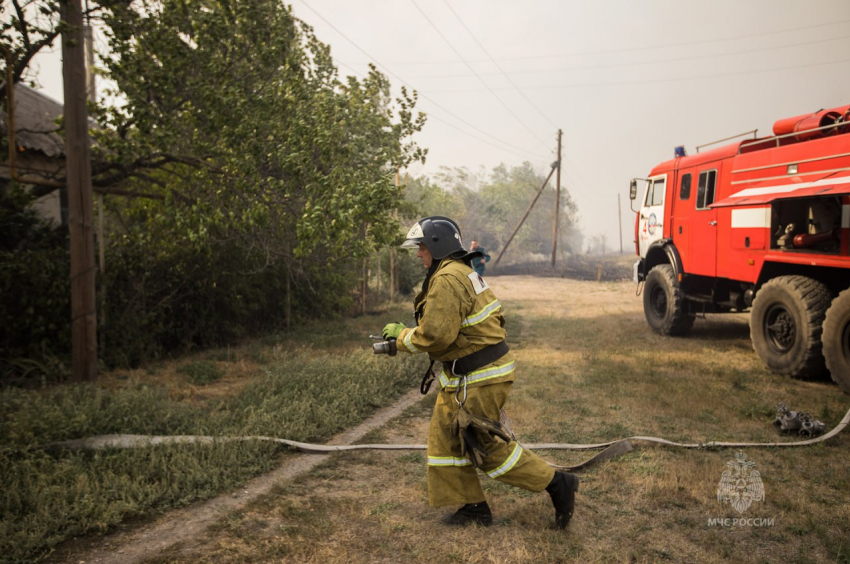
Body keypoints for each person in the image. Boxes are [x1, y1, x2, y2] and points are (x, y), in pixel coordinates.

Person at [381, 216, 578, 528]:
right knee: (446, 438)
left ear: (436, 245)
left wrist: (402, 336)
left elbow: (436, 335)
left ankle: (557, 483)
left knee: (484, 447)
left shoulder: (447, 279)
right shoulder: (462, 271)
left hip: (479, 376)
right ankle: (473, 506)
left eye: (421, 247)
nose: (418, 253)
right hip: (469, 374)